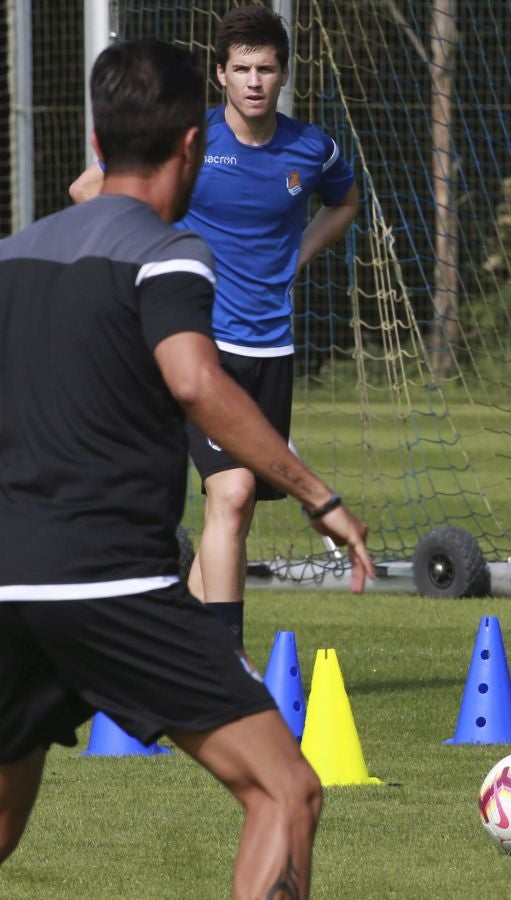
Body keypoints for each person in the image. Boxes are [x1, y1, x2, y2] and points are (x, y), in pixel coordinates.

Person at [0, 40, 375, 897]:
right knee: (287, 788)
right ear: (191, 147)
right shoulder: (169, 252)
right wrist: (318, 494)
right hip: (108, 583)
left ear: (96, 143)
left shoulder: (10, 257)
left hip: (7, 579)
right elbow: (197, 381)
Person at [70, 5, 360, 647]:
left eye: (266, 68)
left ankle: (176, 651)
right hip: (199, 346)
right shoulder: (191, 139)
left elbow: (346, 201)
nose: (254, 81)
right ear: (221, 76)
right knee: (228, 497)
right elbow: (88, 189)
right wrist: (165, 258)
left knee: (238, 509)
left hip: (271, 350)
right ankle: (227, 667)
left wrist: (298, 256)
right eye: (241, 69)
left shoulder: (312, 148)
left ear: (282, 74)